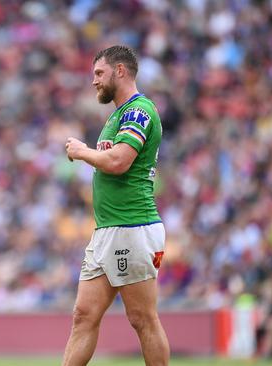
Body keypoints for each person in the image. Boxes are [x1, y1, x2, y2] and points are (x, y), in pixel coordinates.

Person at [62, 45, 170, 366]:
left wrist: (82, 151)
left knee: (142, 319)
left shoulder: (140, 110)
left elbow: (120, 161)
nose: (94, 81)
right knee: (83, 315)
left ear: (119, 71)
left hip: (133, 227)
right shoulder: (117, 115)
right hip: (107, 231)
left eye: (99, 73)